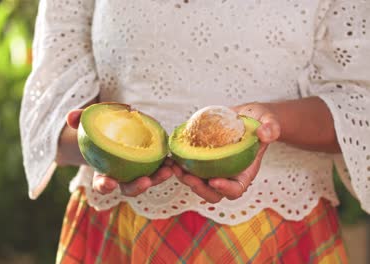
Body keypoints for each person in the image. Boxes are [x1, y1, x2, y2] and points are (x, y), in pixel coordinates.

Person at [20, 0, 370, 263]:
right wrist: (108, 154)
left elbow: (360, 107)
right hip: (120, 228)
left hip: (279, 230)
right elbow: (51, 125)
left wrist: (270, 123)